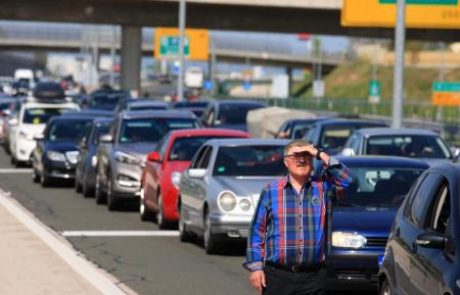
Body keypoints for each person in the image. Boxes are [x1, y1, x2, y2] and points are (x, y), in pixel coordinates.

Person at [244, 139, 353, 295]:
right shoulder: (271, 191)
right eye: (296, 155)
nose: (301, 159)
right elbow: (257, 231)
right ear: (286, 162)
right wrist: (255, 268)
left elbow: (347, 180)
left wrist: (319, 153)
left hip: (314, 277)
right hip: (277, 276)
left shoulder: (323, 188)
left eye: (306, 155)